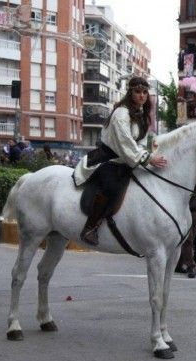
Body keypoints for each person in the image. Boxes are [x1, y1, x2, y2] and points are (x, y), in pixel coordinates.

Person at [73, 76, 167, 246]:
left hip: (127, 160)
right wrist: (148, 159)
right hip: (109, 159)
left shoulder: (141, 115)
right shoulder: (121, 113)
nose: (142, 96)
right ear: (130, 93)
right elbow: (126, 143)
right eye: (138, 92)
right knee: (112, 187)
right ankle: (90, 227)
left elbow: (139, 143)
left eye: (145, 92)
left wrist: (149, 152)